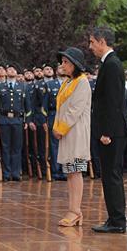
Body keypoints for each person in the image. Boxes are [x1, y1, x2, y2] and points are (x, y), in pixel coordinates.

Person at [89, 26, 127, 234]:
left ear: (102, 41)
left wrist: (106, 132)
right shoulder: (108, 63)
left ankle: (117, 221)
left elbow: (113, 102)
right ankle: (114, 218)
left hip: (112, 132)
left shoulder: (112, 64)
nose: (91, 47)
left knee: (112, 175)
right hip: (111, 129)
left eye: (92, 42)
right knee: (110, 175)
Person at [53, 47, 91, 227]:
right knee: (70, 172)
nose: (63, 65)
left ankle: (75, 211)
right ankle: (74, 210)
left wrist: (60, 128)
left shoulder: (82, 82)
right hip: (67, 132)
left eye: (66, 62)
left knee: (75, 171)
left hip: (75, 132)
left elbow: (74, 110)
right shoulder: (67, 82)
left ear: (75, 64)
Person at [0, 63, 33, 181]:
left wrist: (27, 120)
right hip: (4, 120)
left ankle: (15, 173)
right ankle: (6, 173)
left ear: (16, 73)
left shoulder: (23, 86)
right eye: (8, 69)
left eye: (13, 69)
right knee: (5, 147)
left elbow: (28, 106)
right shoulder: (0, 87)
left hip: (17, 120)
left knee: (17, 147)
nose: (10, 71)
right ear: (6, 73)